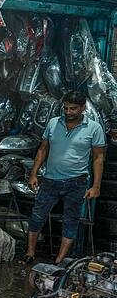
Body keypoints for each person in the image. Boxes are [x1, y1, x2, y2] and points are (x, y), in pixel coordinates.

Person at [20, 91, 106, 265]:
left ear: (82, 108)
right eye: (66, 108)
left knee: (70, 221)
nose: (68, 112)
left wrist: (96, 186)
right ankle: (30, 252)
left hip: (77, 182)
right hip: (50, 180)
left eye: (73, 109)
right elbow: (43, 149)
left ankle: (60, 260)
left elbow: (98, 158)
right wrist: (33, 174)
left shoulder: (94, 128)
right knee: (37, 216)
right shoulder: (53, 123)